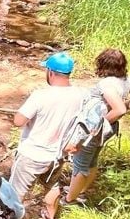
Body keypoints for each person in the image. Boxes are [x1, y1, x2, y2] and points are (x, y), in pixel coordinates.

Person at [41, 48, 130, 219]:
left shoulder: (107, 84)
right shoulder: (125, 80)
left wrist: (100, 122)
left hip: (94, 130)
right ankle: (80, 191)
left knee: (81, 164)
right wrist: (124, 106)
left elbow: (119, 110)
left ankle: (69, 200)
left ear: (103, 64)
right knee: (92, 161)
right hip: (109, 129)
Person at [9, 52, 86, 203]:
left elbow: (18, 121)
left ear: (50, 72)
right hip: (57, 155)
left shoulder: (40, 95)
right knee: (52, 187)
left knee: (15, 193)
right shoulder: (81, 94)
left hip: (32, 154)